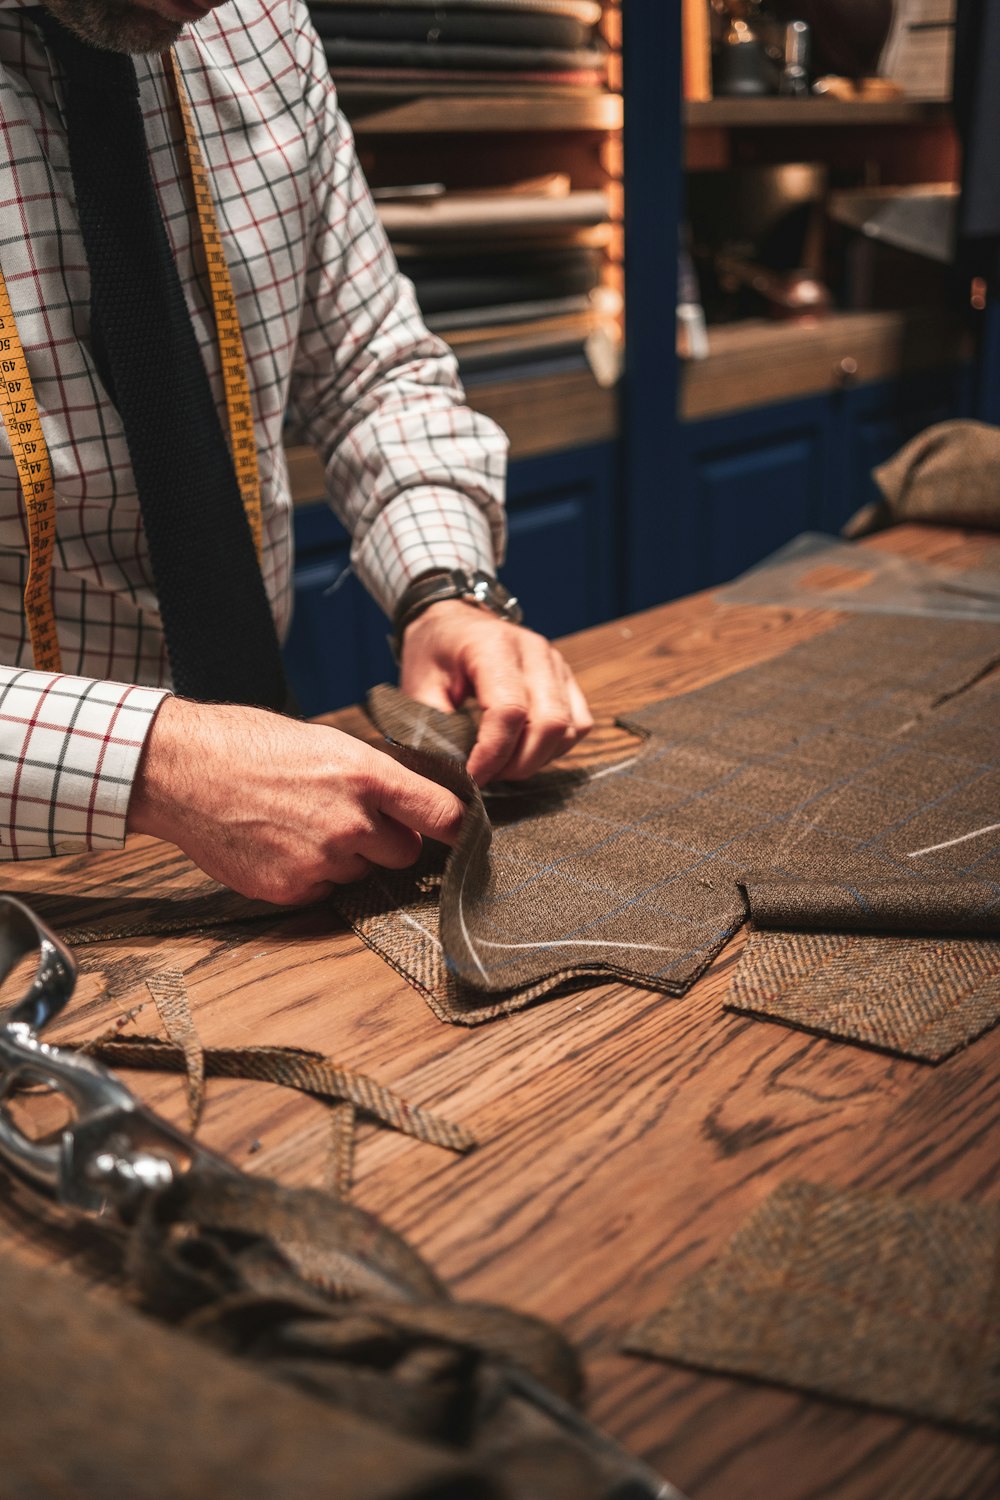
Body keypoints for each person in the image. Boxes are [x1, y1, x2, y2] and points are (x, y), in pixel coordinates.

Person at [0, 0, 593, 904]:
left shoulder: (258, 24)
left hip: (280, 840)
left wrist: (445, 591)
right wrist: (153, 765)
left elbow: (369, 366)